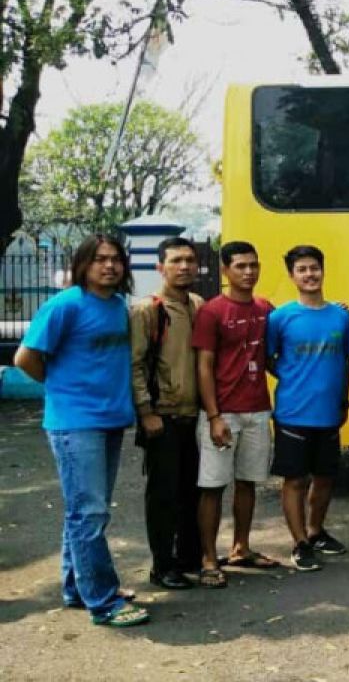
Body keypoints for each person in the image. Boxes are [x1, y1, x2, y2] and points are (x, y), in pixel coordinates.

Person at [15, 235, 149, 626]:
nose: (109, 266)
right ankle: (104, 602)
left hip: (111, 421)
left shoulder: (119, 307)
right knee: (88, 513)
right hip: (75, 424)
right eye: (99, 260)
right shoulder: (65, 305)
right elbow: (25, 357)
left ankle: (78, 587)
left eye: (115, 260)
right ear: (83, 265)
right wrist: (60, 389)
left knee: (86, 511)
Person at [192, 240, 280, 590]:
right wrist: (213, 416)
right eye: (240, 266)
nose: (248, 272)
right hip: (222, 412)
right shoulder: (212, 311)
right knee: (212, 486)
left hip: (257, 410)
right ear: (225, 270)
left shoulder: (266, 308)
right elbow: (204, 366)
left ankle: (241, 548)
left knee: (248, 483)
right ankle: (209, 558)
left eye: (253, 265)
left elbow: (278, 352)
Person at [267, 245, 349, 572]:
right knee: (294, 480)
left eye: (314, 268)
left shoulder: (341, 317)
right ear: (292, 276)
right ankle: (300, 541)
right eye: (302, 269)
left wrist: (344, 399)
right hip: (292, 412)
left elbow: (346, 360)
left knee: (326, 476)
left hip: (330, 412)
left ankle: (317, 531)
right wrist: (290, 377)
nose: (309, 274)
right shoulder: (280, 317)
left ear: (323, 270)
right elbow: (268, 357)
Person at [129, 236, 205, 590]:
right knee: (163, 495)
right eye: (176, 260)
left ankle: (189, 557)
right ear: (160, 267)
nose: (184, 266)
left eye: (190, 260)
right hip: (163, 417)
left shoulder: (199, 305)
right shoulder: (148, 309)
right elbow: (135, 365)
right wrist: (146, 411)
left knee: (193, 491)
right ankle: (162, 565)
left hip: (195, 416)